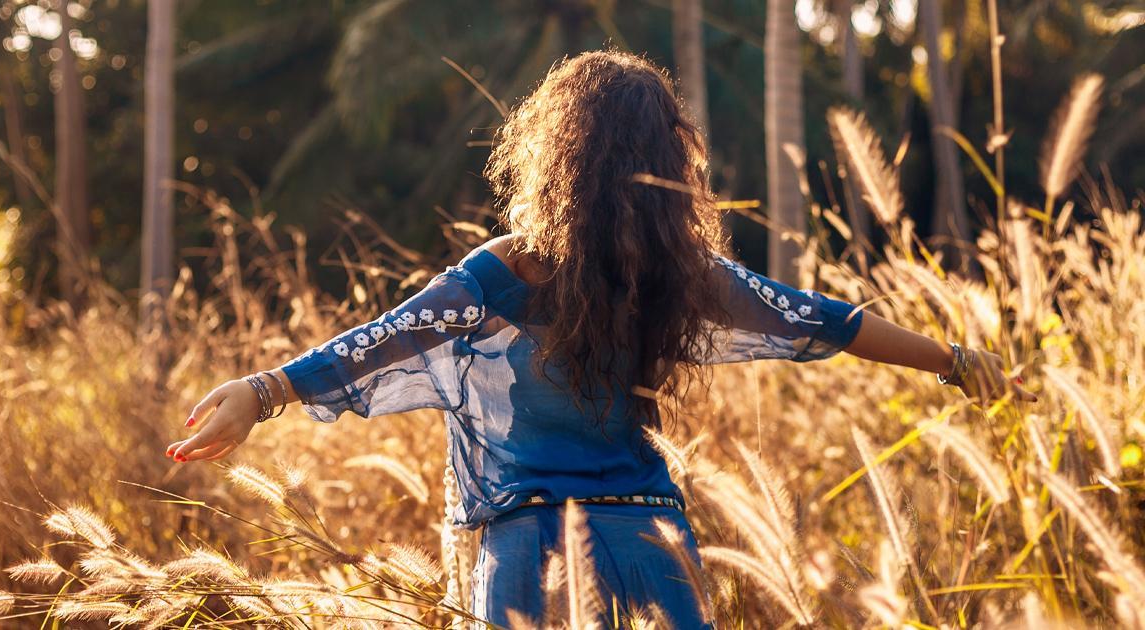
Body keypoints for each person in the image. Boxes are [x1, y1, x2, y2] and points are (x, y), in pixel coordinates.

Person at [165, 50, 1035, 626]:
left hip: (525, 551)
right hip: (653, 544)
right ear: (673, 159)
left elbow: (381, 339)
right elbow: (829, 321)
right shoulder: (684, 272)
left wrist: (264, 391)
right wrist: (957, 362)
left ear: (554, 153)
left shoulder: (506, 272)